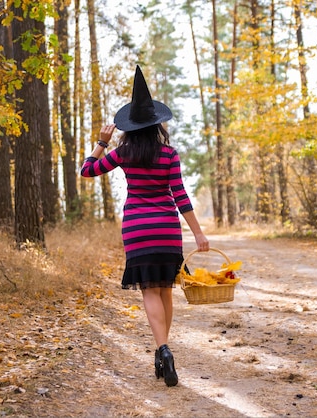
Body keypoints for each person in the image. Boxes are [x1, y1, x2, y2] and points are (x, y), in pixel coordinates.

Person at [80, 65, 209, 387]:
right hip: (166, 226)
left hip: (137, 226)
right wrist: (198, 232)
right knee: (165, 287)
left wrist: (101, 142)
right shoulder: (169, 154)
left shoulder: (123, 153)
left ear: (130, 127)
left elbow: (87, 171)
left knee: (150, 289)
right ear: (156, 125)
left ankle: (162, 349)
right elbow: (180, 195)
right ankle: (163, 349)